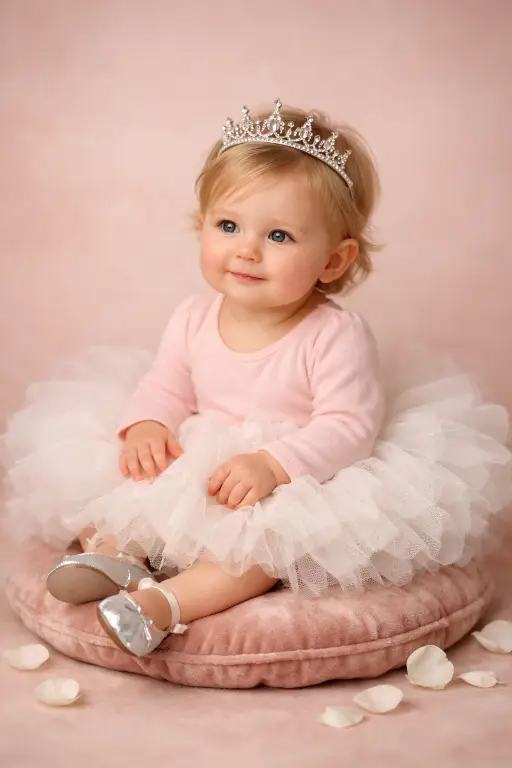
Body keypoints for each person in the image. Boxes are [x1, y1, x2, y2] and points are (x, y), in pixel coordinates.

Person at [3, 99, 511, 657]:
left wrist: (273, 466)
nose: (245, 249)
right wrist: (148, 423)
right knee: (124, 488)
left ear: (334, 261)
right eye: (228, 225)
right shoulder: (193, 316)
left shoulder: (333, 335)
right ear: (202, 226)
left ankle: (162, 605)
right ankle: (115, 559)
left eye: (279, 237)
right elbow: (168, 383)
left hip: (291, 474)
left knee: (257, 554)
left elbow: (348, 426)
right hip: (201, 456)